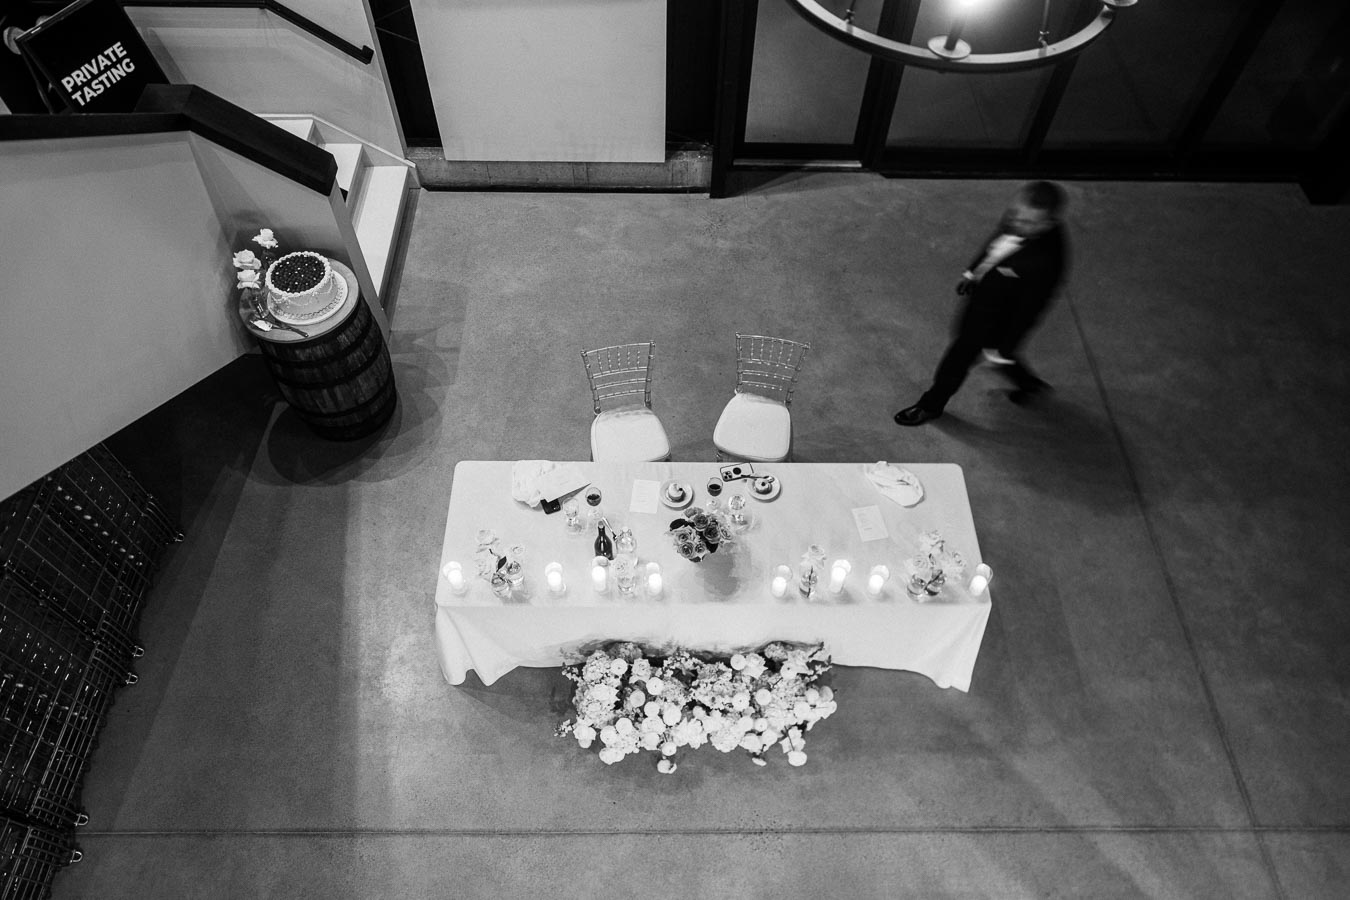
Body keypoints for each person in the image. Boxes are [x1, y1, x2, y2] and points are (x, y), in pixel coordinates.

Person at [895, 181, 1069, 427]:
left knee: (956, 362)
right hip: (985, 301)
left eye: (1028, 222)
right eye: (1016, 215)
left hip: (994, 320)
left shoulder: (1046, 263)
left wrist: (1006, 344)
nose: (1017, 224)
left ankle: (930, 406)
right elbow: (995, 246)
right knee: (1000, 357)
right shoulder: (1021, 218)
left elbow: (1029, 311)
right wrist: (972, 272)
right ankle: (1029, 384)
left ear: (1048, 223)